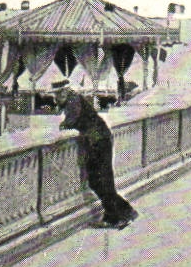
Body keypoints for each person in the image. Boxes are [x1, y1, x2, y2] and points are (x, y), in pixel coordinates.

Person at [53, 78, 137, 229]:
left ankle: (115, 216)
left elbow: (71, 121)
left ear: (64, 91)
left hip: (97, 142)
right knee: (103, 180)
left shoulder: (73, 101)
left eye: (57, 94)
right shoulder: (75, 99)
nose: (55, 98)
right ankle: (125, 211)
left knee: (99, 181)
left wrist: (62, 125)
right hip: (101, 139)